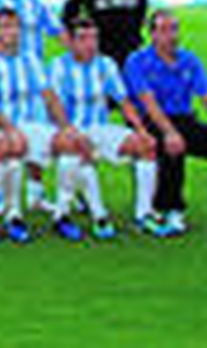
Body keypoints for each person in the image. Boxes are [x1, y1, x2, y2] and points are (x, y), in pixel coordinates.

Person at [125, 9, 207, 235]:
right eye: (165, 30)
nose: (172, 35)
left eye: (175, 28)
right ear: (152, 34)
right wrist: (168, 132)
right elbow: (148, 102)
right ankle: (170, 210)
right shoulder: (137, 61)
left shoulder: (189, 59)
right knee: (172, 148)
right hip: (152, 122)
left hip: (185, 119)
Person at [43, 16, 163, 242]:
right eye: (83, 38)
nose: (90, 44)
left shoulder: (106, 64)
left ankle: (144, 214)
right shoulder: (58, 66)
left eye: (94, 38)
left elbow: (123, 101)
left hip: (101, 127)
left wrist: (140, 129)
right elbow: (54, 105)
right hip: (69, 130)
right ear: (69, 41)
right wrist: (70, 131)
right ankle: (98, 216)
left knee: (147, 146)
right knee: (79, 150)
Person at [0, 8, 51, 246]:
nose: (11, 32)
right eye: (5, 27)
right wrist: (9, 128)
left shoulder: (31, 59)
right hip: (2, 128)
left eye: (15, 26)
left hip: (30, 125)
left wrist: (65, 126)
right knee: (11, 150)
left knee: (73, 146)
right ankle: (12, 214)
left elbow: (48, 93)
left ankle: (66, 212)